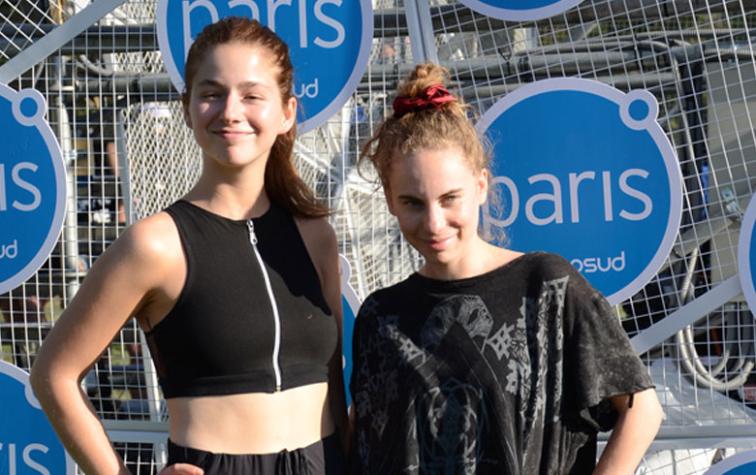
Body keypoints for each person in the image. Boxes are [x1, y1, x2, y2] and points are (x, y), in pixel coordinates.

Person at [31, 17, 347, 475]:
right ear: (187, 108)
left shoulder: (314, 234)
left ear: (287, 113)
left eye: (252, 95)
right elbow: (53, 376)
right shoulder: (154, 245)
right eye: (212, 93)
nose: (231, 111)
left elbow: (332, 377)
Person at [350, 64, 663, 474]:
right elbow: (366, 444)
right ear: (389, 200)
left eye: (450, 198)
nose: (433, 222)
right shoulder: (380, 316)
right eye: (412, 202)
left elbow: (642, 411)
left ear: (481, 186)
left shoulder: (547, 287)